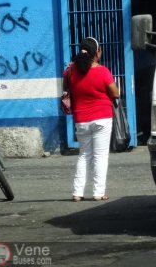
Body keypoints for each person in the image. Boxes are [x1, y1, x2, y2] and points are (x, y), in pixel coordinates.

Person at [63, 37, 119, 201]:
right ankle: (98, 192)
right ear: (97, 52)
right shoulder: (103, 71)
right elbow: (115, 93)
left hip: (81, 118)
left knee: (84, 155)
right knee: (100, 156)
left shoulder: (71, 71)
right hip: (102, 117)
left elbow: (66, 88)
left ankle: (77, 193)